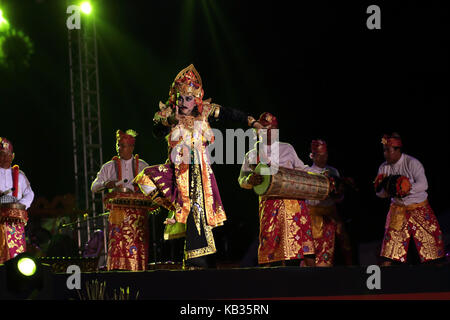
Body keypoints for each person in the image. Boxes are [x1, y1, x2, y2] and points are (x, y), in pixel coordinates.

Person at [134, 64, 262, 269]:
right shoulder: (169, 114)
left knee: (197, 212)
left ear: (197, 98)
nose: (185, 102)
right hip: (176, 171)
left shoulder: (205, 112)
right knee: (145, 178)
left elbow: (230, 114)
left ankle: (197, 260)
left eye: (189, 98)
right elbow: (156, 130)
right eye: (182, 98)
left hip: (200, 172)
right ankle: (173, 206)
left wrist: (252, 122)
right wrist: (169, 120)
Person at [238, 112, 316, 267]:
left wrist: (320, 174)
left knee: (304, 248)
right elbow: (241, 179)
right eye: (265, 128)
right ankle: (271, 286)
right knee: (271, 249)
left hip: (294, 205)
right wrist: (249, 180)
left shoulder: (287, 148)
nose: (269, 131)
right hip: (269, 206)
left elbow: (303, 169)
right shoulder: (253, 154)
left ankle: (315, 284)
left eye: (272, 128)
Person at [375, 133, 445, 265]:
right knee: (389, 254)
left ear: (397, 150)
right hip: (398, 209)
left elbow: (424, 184)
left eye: (388, 150)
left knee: (433, 252)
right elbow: (380, 194)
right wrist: (383, 190)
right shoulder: (383, 168)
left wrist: (405, 189)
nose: (385, 154)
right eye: (383, 150)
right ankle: (386, 282)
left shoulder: (412, 163)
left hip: (419, 207)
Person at [91, 129, 150, 271]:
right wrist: (106, 184)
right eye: (118, 145)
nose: (119, 148)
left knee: (137, 245)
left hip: (137, 217)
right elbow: (94, 187)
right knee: (117, 244)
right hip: (118, 215)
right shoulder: (109, 167)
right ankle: (117, 270)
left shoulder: (142, 166)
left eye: (123, 146)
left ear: (131, 147)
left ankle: (138, 269)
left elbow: (150, 190)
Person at [305, 139, 352, 266]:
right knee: (314, 244)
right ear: (312, 155)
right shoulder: (307, 172)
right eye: (319, 156)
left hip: (331, 211)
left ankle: (349, 269)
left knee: (342, 239)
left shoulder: (333, 171)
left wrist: (338, 193)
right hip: (314, 212)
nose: (323, 158)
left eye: (325, 155)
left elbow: (339, 198)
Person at [0, 137, 34, 264]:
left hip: (15, 221)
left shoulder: (19, 175)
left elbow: (29, 194)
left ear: (12, 156)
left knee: (16, 257)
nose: (4, 158)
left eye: (7, 155)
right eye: (1, 155)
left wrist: (19, 206)